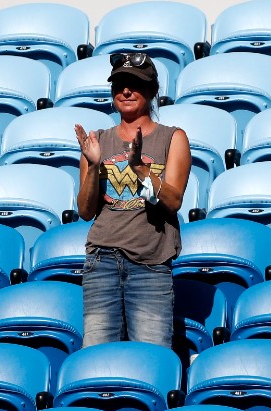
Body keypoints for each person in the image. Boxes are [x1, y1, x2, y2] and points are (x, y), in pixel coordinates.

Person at [75, 52, 191, 348]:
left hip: (151, 264)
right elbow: (86, 211)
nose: (126, 91)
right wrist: (93, 165)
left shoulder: (173, 138)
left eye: (135, 84)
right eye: (119, 84)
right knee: (97, 358)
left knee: (151, 357)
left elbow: (174, 200)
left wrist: (140, 168)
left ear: (152, 91)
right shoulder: (97, 140)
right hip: (102, 261)